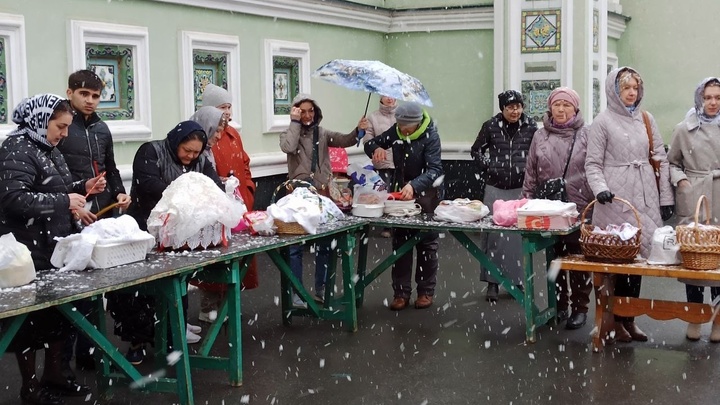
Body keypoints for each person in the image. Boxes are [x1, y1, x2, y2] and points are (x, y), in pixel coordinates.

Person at [0, 94, 101, 405]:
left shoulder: (47, 148)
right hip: (26, 250)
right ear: (41, 121)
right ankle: (30, 389)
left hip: (51, 245)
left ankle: (55, 376)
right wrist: (63, 201)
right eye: (60, 126)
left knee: (59, 314)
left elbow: (55, 186)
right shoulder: (16, 148)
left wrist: (82, 187)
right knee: (29, 323)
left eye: (68, 127)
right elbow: (13, 198)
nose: (64, 134)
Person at [112, 120, 223, 364]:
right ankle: (137, 342)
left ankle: (173, 334)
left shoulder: (201, 161)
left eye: (195, 152)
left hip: (178, 235)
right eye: (187, 151)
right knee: (140, 289)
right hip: (144, 230)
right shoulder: (151, 152)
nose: (191, 156)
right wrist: (185, 198)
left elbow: (215, 187)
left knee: (176, 283)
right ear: (175, 142)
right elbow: (149, 185)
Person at [585, 67, 675, 344]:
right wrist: (601, 190)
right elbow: (592, 163)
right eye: (626, 88)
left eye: (635, 87)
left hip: (644, 196)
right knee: (615, 264)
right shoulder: (602, 122)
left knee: (638, 263)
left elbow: (660, 156)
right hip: (615, 200)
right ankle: (611, 320)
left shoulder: (646, 119)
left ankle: (630, 320)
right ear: (615, 91)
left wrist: (665, 198)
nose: (631, 92)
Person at [57, 69, 132, 373]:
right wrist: (74, 204)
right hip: (71, 215)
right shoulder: (61, 126)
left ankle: (91, 354)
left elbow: (111, 168)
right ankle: (63, 366)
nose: (90, 101)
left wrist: (121, 193)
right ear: (69, 93)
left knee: (102, 287)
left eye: (96, 95)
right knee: (76, 292)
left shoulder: (102, 128)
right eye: (83, 94)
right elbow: (55, 174)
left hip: (104, 215)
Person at [279, 93, 367, 307]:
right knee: (295, 246)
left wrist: (359, 130)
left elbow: (345, 140)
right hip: (299, 195)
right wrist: (294, 122)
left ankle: (322, 289)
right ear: (295, 112)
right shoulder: (289, 133)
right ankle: (296, 293)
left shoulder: (323, 133)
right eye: (302, 111)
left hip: (322, 194)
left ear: (316, 112)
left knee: (326, 244)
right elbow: (288, 147)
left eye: (311, 110)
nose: (307, 115)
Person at [522, 87, 594, 330]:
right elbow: (531, 171)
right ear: (550, 107)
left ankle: (580, 307)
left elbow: (593, 170)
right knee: (555, 259)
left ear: (575, 108)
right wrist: (525, 202)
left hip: (578, 208)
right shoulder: (539, 136)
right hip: (548, 208)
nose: (561, 109)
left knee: (578, 259)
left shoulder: (586, 134)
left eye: (566, 105)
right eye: (557, 105)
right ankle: (559, 305)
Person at [364, 102, 444, 310]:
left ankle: (425, 291)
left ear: (417, 123)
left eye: (407, 126)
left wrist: (415, 185)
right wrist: (376, 147)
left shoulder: (431, 136)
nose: (403, 130)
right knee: (401, 244)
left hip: (427, 196)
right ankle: (401, 293)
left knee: (426, 245)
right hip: (400, 196)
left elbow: (435, 169)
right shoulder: (397, 131)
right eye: (400, 125)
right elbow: (370, 144)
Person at [195, 84, 259, 323]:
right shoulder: (204, 134)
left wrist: (248, 189)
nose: (228, 112)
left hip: (239, 204)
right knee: (215, 257)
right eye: (223, 107)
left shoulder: (233, 134)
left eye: (229, 106)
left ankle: (227, 307)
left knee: (236, 258)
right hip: (217, 205)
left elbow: (244, 163)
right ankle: (210, 308)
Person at [667, 77, 720, 342]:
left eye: (717, 97)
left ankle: (718, 320)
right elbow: (672, 162)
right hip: (695, 195)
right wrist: (682, 181)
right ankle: (694, 316)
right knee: (694, 258)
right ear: (699, 98)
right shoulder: (684, 129)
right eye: (708, 97)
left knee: (718, 260)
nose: (712, 102)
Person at [471, 90, 537, 302]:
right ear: (502, 109)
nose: (515, 111)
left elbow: (536, 154)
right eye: (510, 107)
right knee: (493, 236)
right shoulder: (490, 126)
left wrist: (530, 175)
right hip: (495, 187)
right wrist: (488, 168)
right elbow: (476, 150)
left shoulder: (531, 127)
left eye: (518, 106)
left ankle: (518, 282)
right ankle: (492, 282)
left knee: (518, 238)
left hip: (520, 188)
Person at [364, 96, 397, 238]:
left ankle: (399, 222)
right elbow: (368, 139)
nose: (389, 98)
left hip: (400, 162)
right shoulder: (373, 117)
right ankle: (387, 225)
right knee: (384, 192)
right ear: (380, 97)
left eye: (392, 95)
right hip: (382, 162)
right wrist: (376, 148)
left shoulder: (402, 114)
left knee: (400, 192)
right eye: (385, 95)